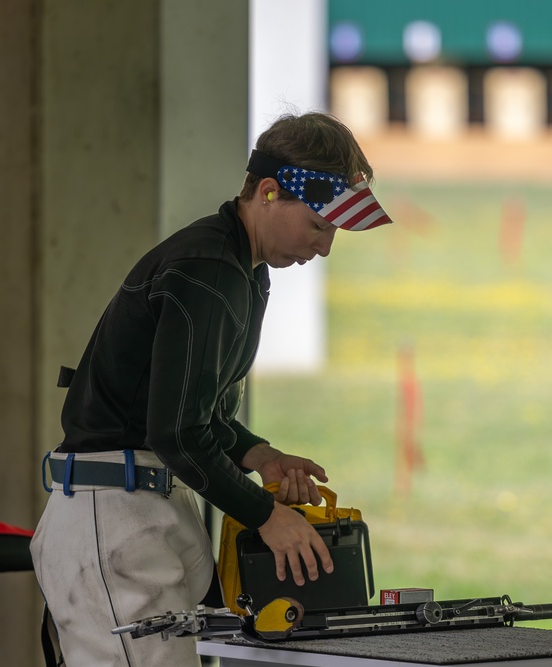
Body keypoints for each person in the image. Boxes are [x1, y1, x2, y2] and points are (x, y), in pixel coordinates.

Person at [30, 112, 392, 667]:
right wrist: (270, 518)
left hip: (146, 505)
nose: (324, 248)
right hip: (116, 511)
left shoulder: (242, 268)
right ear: (269, 192)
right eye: (320, 226)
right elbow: (175, 431)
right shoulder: (209, 267)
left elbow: (193, 413)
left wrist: (259, 455)